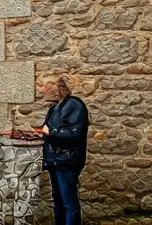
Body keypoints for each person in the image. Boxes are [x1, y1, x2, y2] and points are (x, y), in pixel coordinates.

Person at [41, 76, 88, 225]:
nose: (44, 92)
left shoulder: (75, 105)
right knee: (58, 200)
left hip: (67, 160)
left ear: (59, 89)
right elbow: (46, 129)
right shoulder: (54, 108)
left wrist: (52, 132)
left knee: (68, 202)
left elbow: (75, 133)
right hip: (54, 160)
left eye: (48, 88)